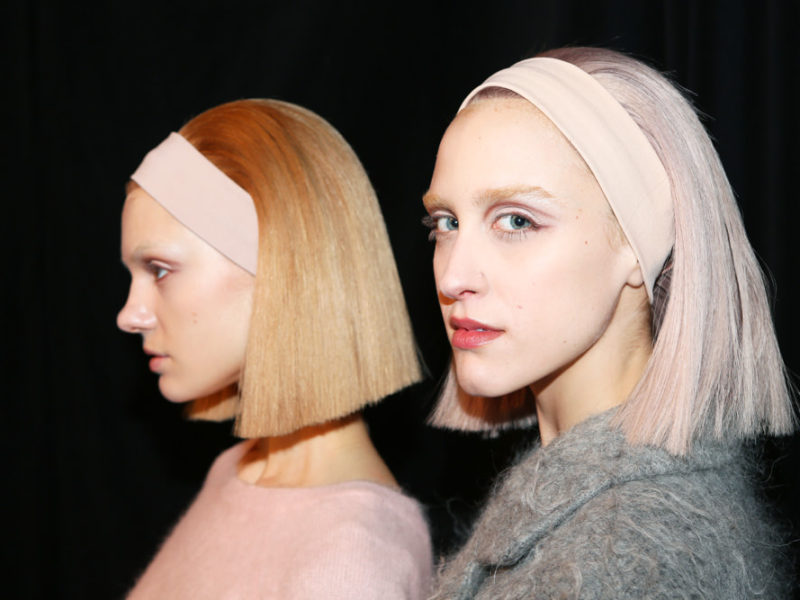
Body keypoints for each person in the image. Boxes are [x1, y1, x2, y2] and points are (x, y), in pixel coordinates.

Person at [422, 47, 795, 599]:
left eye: (517, 221)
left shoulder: (631, 561)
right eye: (446, 222)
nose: (453, 276)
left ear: (640, 241)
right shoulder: (617, 516)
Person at [117, 99, 432, 599]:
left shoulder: (352, 560)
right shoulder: (237, 472)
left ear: (279, 265)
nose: (129, 315)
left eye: (159, 269)